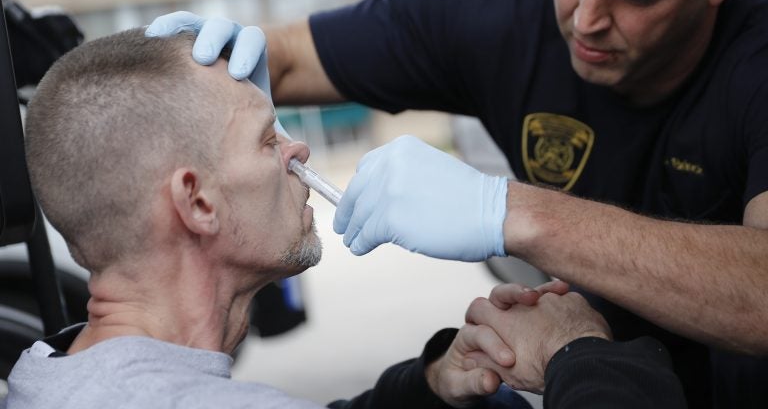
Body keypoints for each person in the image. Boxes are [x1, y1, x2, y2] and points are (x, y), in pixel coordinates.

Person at [146, 0, 768, 406]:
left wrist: (512, 213)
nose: (586, 18)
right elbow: (290, 55)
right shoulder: (494, 4)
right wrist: (210, 73)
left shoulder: (757, 57)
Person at [1, 29, 685, 409]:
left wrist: (431, 384)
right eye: (267, 138)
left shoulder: (50, 370)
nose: (296, 150)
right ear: (197, 202)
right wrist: (582, 354)